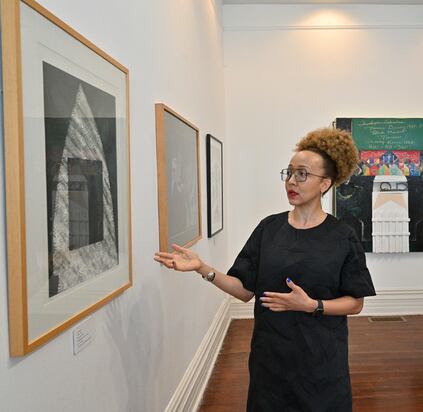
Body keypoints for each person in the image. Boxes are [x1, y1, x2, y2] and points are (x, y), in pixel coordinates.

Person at [154, 127, 376, 411]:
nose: (291, 181)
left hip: (321, 363)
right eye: (289, 172)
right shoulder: (268, 229)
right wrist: (203, 268)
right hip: (271, 360)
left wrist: (311, 305)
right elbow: (245, 290)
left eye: (303, 174)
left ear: (325, 184)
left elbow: (355, 303)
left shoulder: (343, 236)